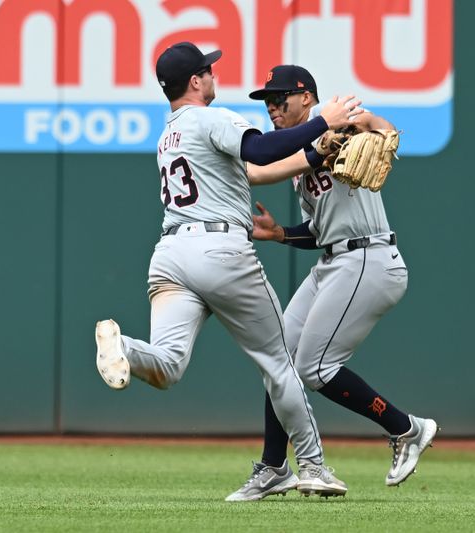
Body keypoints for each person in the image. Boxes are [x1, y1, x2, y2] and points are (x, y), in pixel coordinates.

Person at [94, 43, 363, 502]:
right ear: (195, 82)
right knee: (279, 363)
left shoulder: (170, 135)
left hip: (171, 255)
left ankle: (126, 349)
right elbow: (259, 150)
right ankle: (313, 468)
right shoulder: (211, 119)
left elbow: (256, 172)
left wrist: (316, 154)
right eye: (208, 70)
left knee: (167, 364)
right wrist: (324, 121)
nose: (213, 75)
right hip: (219, 251)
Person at [235, 65, 438, 501]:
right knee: (279, 357)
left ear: (306, 97)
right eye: (266, 101)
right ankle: (274, 466)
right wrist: (279, 234)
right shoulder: (298, 156)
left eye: (280, 97)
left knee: (315, 367)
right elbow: (319, 231)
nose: (272, 106)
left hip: (369, 256)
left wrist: (368, 125)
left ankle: (406, 428)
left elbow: (381, 129)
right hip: (336, 260)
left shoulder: (338, 125)